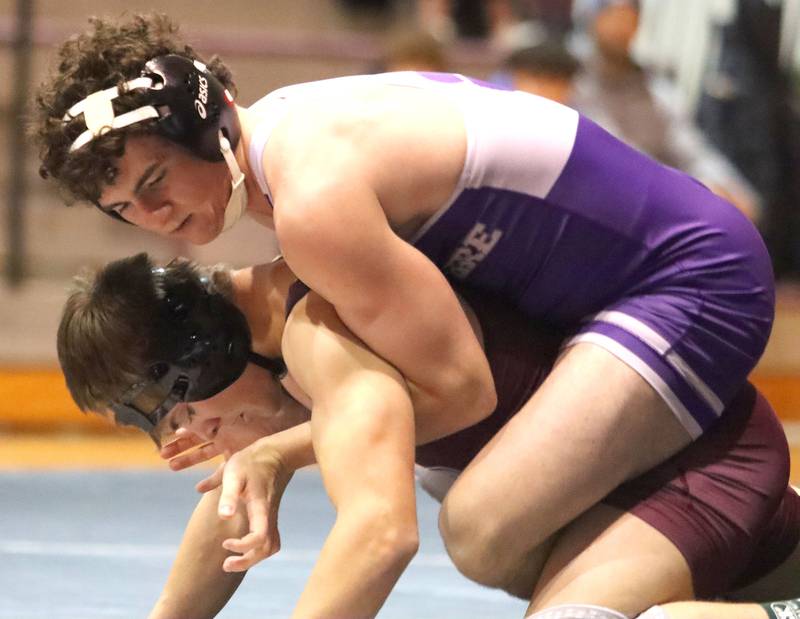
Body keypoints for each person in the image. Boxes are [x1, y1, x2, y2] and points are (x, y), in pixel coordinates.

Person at [36, 13, 776, 617]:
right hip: (629, 289)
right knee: (488, 524)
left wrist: (278, 450)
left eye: (157, 180)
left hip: (686, 277)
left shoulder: (313, 200)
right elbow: (263, 455)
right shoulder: (288, 157)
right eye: (126, 208)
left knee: (483, 524)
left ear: (211, 125)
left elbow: (461, 390)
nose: (156, 215)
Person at [58, 253, 797, 619]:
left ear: (206, 355)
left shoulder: (321, 326)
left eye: (178, 409)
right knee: (494, 529)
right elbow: (235, 494)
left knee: (493, 541)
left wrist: (272, 451)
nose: (184, 437)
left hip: (689, 470)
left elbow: (380, 533)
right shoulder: (277, 335)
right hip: (640, 478)